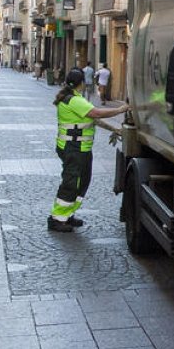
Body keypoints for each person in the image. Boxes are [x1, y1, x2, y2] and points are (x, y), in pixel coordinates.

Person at [48, 69, 129, 232]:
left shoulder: (74, 98)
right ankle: (57, 218)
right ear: (81, 83)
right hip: (73, 148)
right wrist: (121, 110)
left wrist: (114, 128)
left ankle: (67, 214)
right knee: (71, 182)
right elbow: (95, 113)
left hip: (79, 148)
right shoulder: (73, 100)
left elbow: (93, 119)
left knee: (82, 181)